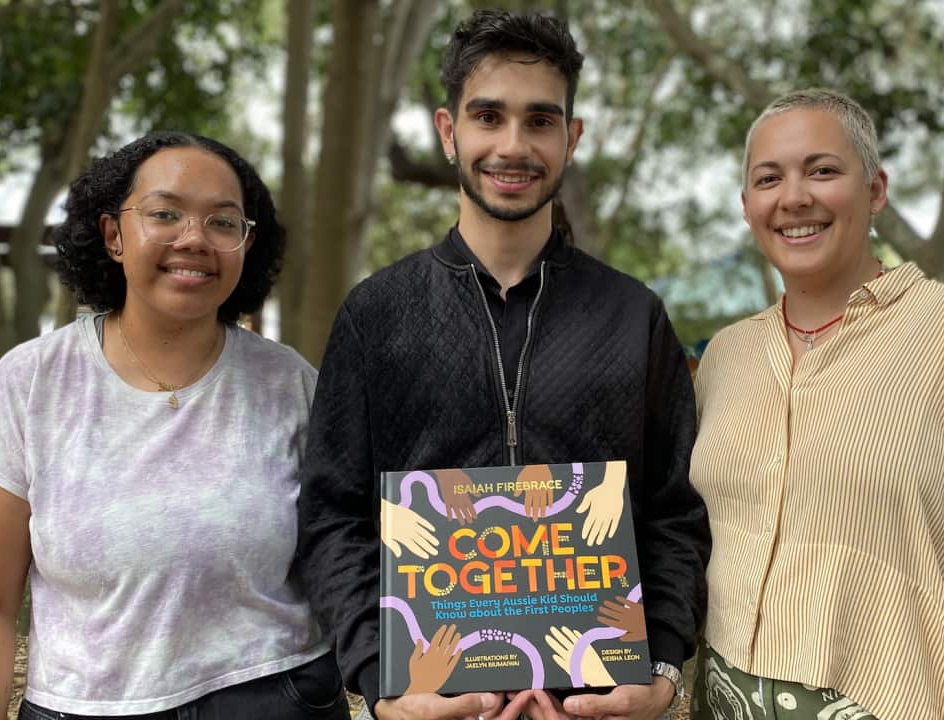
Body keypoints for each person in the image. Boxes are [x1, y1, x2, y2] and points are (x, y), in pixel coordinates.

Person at [295, 9, 709, 720]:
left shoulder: (632, 315)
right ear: (449, 130)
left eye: (540, 121)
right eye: (489, 116)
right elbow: (333, 517)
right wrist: (382, 683)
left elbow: (675, 513)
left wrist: (664, 671)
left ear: (572, 138)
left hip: (601, 705)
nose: (513, 145)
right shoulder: (376, 315)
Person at [690, 88, 944, 720]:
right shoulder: (725, 357)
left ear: (875, 190)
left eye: (823, 171)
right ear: (748, 206)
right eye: (768, 179)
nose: (794, 197)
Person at [0, 131, 348, 720]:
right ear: (113, 235)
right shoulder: (28, 385)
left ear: (245, 244)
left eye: (223, 222)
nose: (194, 239)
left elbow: (352, 555)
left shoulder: (292, 384)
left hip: (276, 697)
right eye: (165, 214)